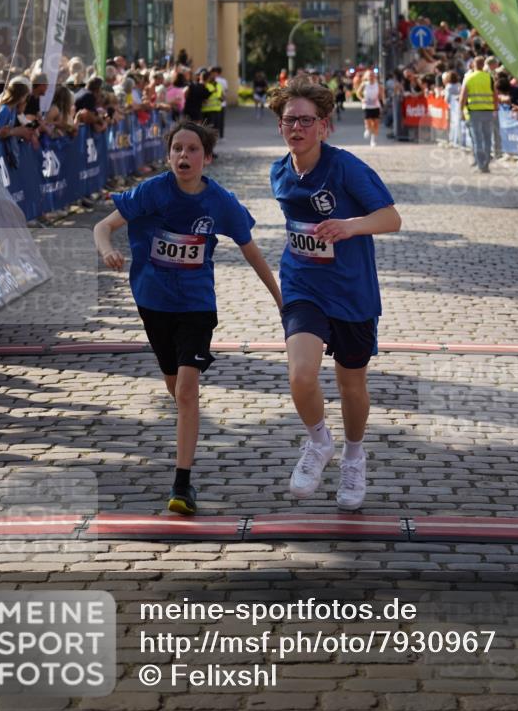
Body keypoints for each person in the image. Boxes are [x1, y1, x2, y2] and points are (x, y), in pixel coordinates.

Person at [93, 121, 282, 516]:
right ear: (168, 156)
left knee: (186, 391)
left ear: (207, 158)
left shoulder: (221, 202)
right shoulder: (153, 190)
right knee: (175, 387)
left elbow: (251, 250)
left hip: (196, 304)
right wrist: (107, 248)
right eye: (177, 148)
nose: (184, 155)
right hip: (152, 301)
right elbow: (103, 225)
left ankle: (182, 483)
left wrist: (281, 299)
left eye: (193, 149)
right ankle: (188, 421)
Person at [266, 77, 402, 510]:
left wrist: (350, 226)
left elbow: (391, 218)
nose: (297, 128)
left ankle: (354, 457)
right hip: (303, 284)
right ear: (280, 126)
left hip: (352, 290)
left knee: (351, 384)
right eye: (290, 120)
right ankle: (319, 442)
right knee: (300, 374)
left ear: (324, 126)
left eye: (307, 120)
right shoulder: (279, 172)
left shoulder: (346, 168)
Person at [459, 55, 497, 172]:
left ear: (474, 65)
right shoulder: (489, 78)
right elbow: (495, 95)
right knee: (487, 139)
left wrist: (461, 111)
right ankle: (486, 164)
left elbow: (463, 97)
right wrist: (495, 109)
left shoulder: (469, 78)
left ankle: (481, 164)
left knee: (477, 139)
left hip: (474, 112)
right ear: (483, 65)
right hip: (488, 111)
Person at [356, 69, 383, 146]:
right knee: (368, 122)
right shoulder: (364, 84)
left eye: (372, 75)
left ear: (375, 76)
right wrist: (362, 99)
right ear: (367, 76)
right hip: (367, 106)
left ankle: (373, 140)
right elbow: (358, 93)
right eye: (370, 75)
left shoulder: (378, 84)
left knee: (376, 124)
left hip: (376, 106)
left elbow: (381, 95)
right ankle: (367, 129)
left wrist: (382, 102)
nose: (371, 76)